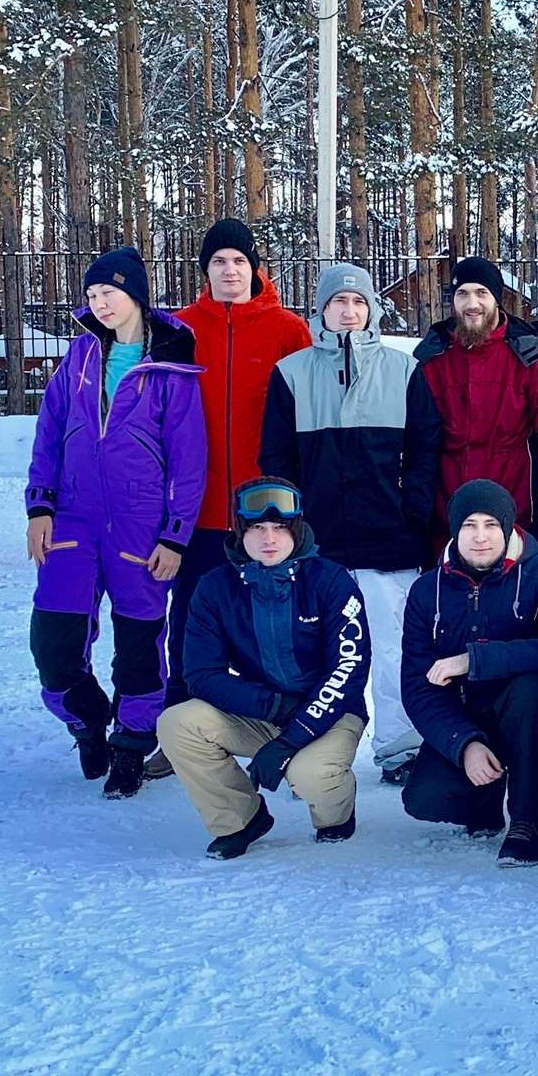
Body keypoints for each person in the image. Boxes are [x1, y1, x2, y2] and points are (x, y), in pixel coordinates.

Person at [25, 247, 207, 799]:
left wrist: (175, 535)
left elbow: (189, 459)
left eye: (110, 293)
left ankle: (131, 743)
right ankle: (87, 721)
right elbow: (49, 435)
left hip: (140, 528)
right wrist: (39, 507)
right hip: (73, 522)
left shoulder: (171, 366)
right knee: (52, 644)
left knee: (138, 645)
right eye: (92, 295)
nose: (100, 304)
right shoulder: (78, 357)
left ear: (136, 295)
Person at [261, 263, 440, 784]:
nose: (349, 310)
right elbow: (277, 460)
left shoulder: (402, 370)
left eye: (358, 302)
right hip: (319, 546)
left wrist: (413, 511)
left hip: (390, 539)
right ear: (320, 310)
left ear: (372, 310)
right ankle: (311, 755)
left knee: (393, 647)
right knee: (317, 655)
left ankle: (400, 749)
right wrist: (292, 531)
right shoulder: (291, 373)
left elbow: (426, 450)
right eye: (338, 301)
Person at [161, 479, 371, 859]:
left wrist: (294, 735)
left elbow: (350, 669)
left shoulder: (331, 581)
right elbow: (201, 674)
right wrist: (275, 709)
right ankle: (240, 818)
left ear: (298, 528)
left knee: (309, 773)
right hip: (262, 710)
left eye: (279, 527)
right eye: (257, 528)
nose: (269, 538)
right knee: (178, 723)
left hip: (331, 713)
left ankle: (336, 813)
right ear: (240, 531)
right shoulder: (214, 588)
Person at [163, 221, 311, 734]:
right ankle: (178, 720)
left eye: (239, 261)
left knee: (274, 623)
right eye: (219, 261)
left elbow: (304, 417)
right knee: (189, 618)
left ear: (255, 268)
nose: (230, 270)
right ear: (205, 270)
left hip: (265, 509)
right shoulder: (178, 329)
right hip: (197, 506)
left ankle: (285, 725)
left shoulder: (289, 330)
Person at [401, 480, 538, 866]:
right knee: (424, 798)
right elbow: (417, 687)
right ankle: (485, 797)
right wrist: (465, 744)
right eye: (469, 525)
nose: (480, 537)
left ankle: (528, 820)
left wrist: (473, 660)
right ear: (454, 531)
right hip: (468, 717)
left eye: (491, 525)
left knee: (530, 690)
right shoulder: (425, 591)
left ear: (509, 527)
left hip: (531, 714)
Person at [412, 254, 538, 535]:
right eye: (463, 294)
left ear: (497, 299)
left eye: (481, 293)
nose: (472, 304)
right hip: (449, 521)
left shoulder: (532, 358)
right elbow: (419, 447)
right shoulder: (431, 362)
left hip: (517, 516)